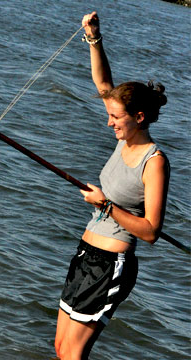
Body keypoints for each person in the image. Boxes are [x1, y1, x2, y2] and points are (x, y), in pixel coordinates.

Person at [54, 11, 170, 360]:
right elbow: (105, 86)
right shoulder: (124, 139)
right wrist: (94, 38)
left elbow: (151, 231)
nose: (109, 123)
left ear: (138, 118)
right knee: (60, 349)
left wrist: (106, 206)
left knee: (73, 355)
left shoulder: (155, 162)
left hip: (111, 265)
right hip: (85, 254)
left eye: (115, 117)